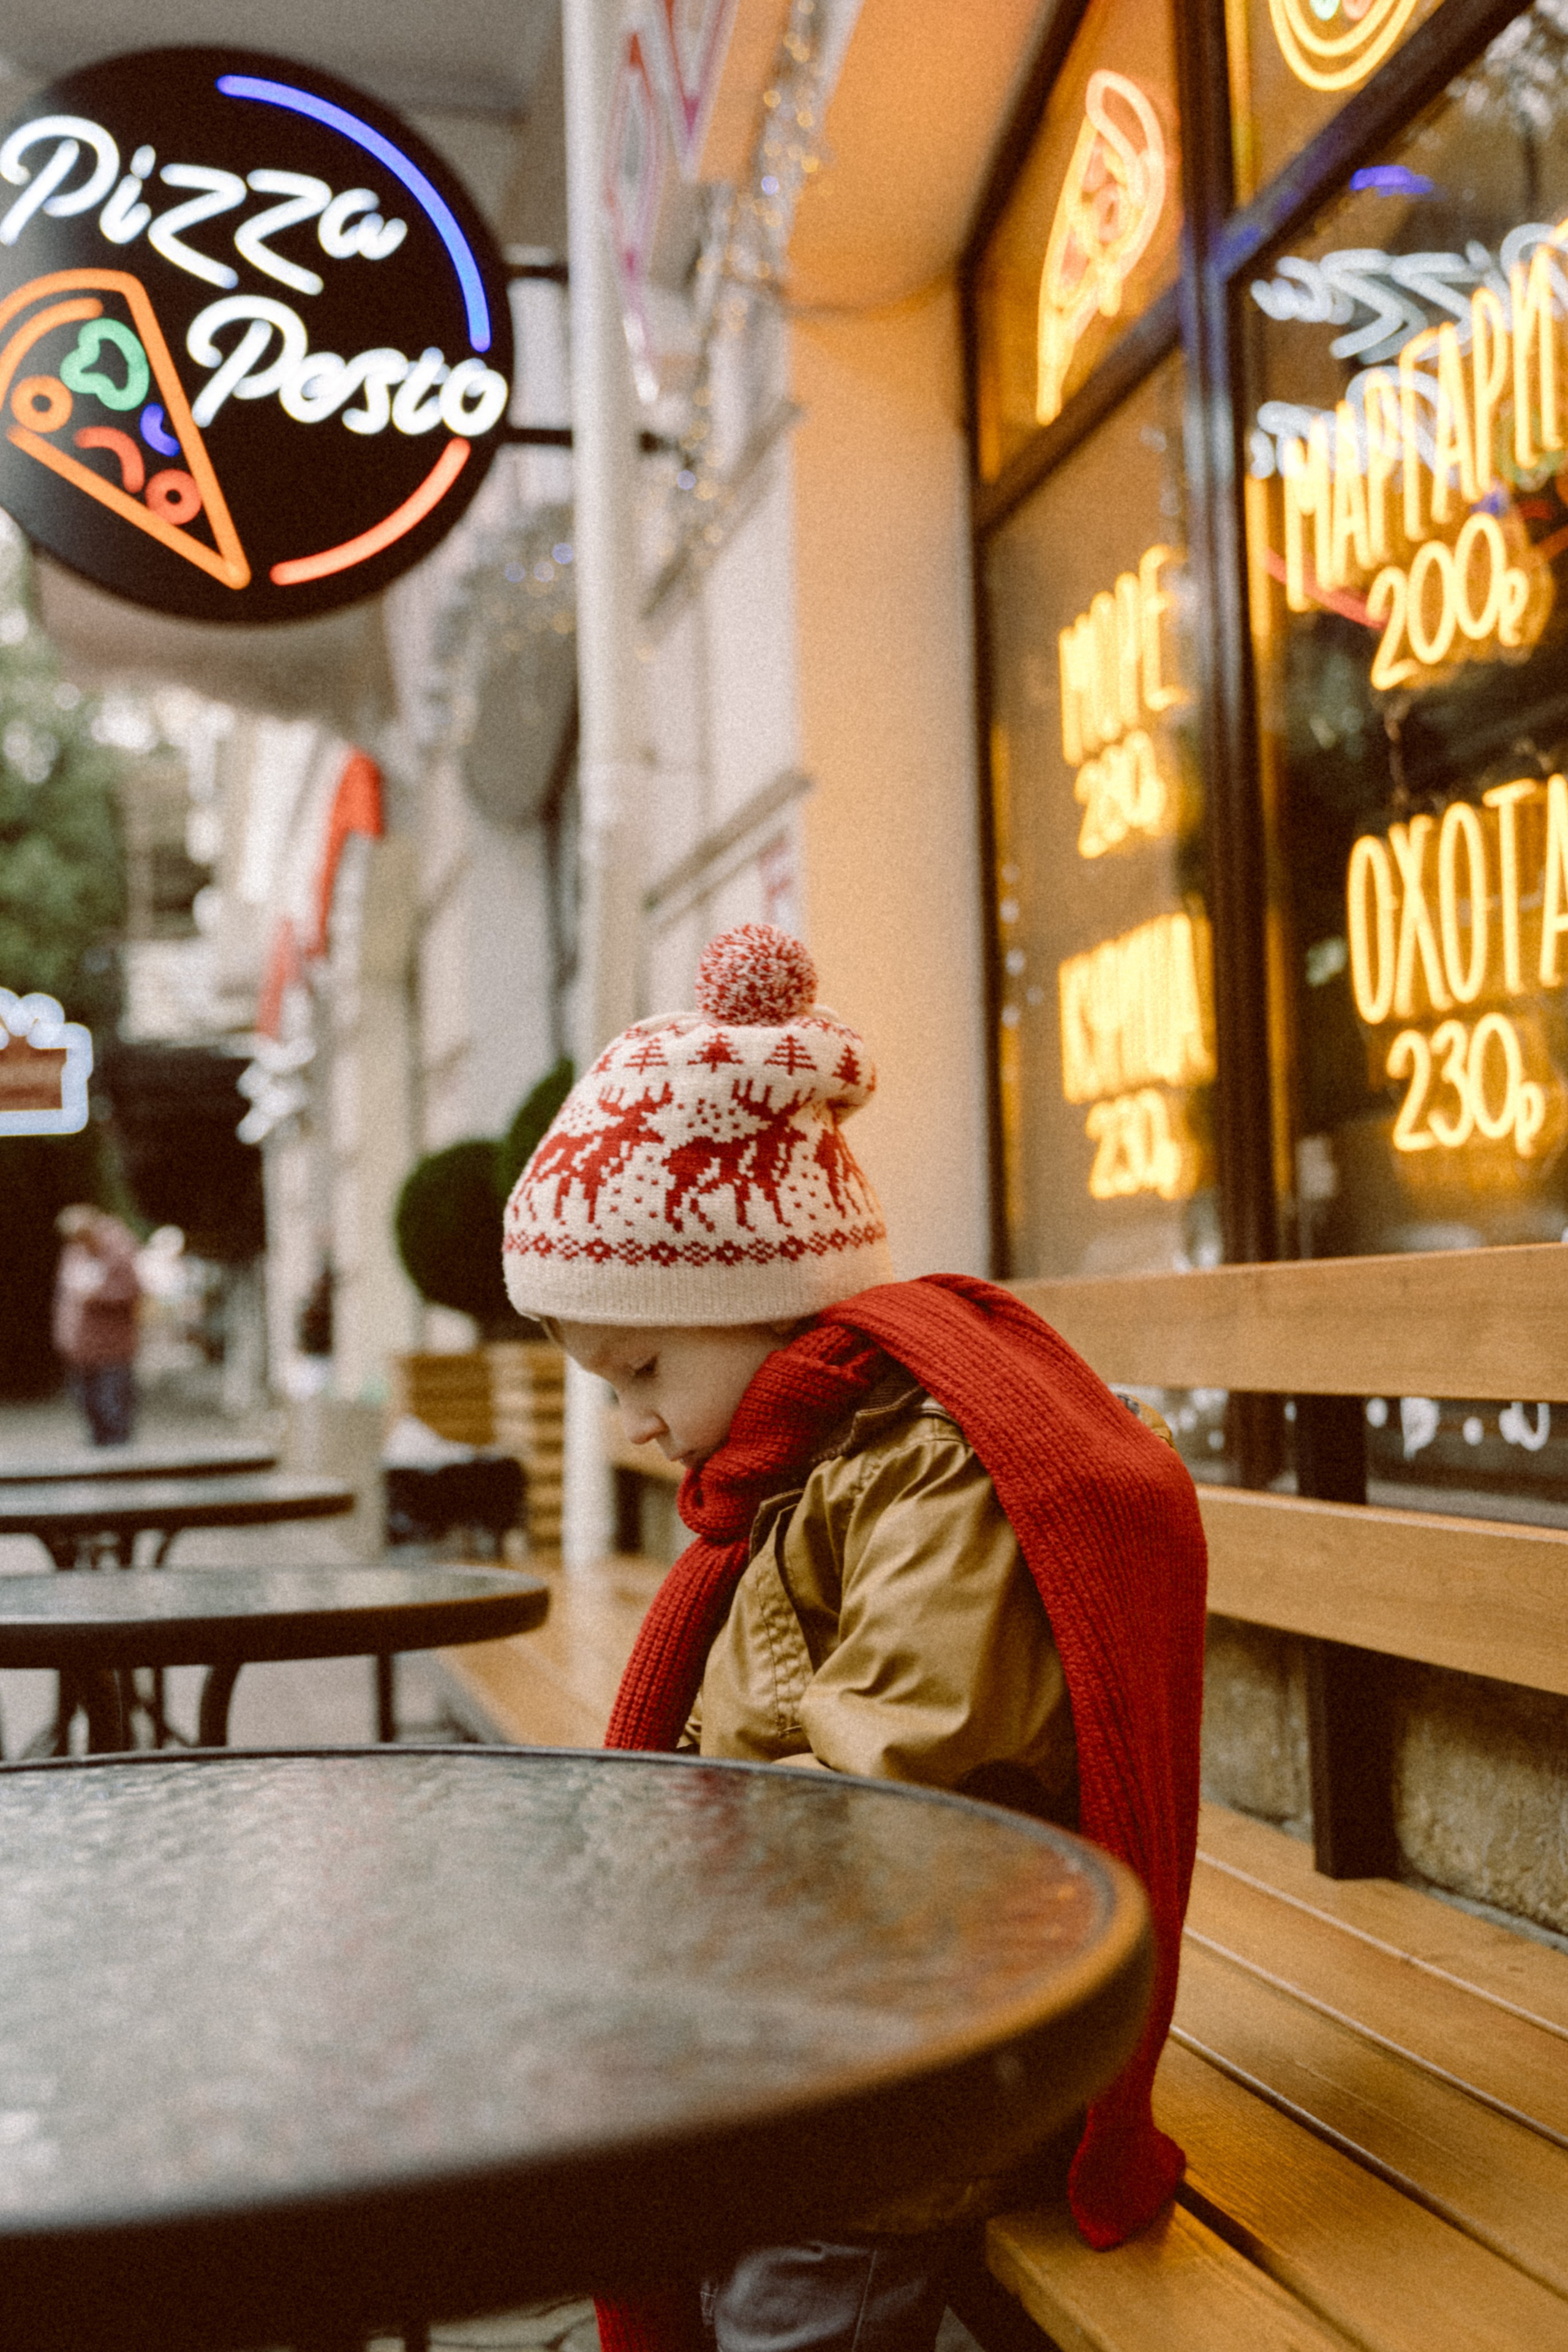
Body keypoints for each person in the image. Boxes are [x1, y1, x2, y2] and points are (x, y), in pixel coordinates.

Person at [502, 924, 1207, 2352]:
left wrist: (673, 1910)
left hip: (943, 2039)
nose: (631, 1420)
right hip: (843, 1994)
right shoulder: (810, 1448)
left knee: (784, 2285)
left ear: (756, 1302)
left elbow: (905, 1814)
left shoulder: (937, 1464)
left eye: (642, 1366)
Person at [52, 1205, 141, 1446]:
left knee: (112, 1406)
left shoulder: (119, 1247)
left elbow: (132, 1291)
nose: (77, 1242)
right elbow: (67, 1294)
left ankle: (120, 1465)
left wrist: (97, 1295)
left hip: (112, 1347)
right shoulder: (76, 1249)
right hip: (80, 1347)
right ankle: (99, 1459)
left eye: (81, 1236)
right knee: (87, 1404)